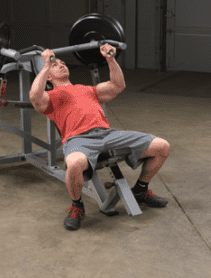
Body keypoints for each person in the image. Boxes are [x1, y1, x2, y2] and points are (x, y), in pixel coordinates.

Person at [29, 44, 170, 231]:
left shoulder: (87, 89)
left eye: (63, 63)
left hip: (107, 134)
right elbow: (34, 97)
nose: (62, 65)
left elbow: (118, 85)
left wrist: (110, 59)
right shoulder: (51, 96)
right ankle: (77, 206)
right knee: (75, 163)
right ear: (48, 75)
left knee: (162, 146)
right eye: (56, 65)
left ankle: (140, 190)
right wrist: (46, 65)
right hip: (78, 140)